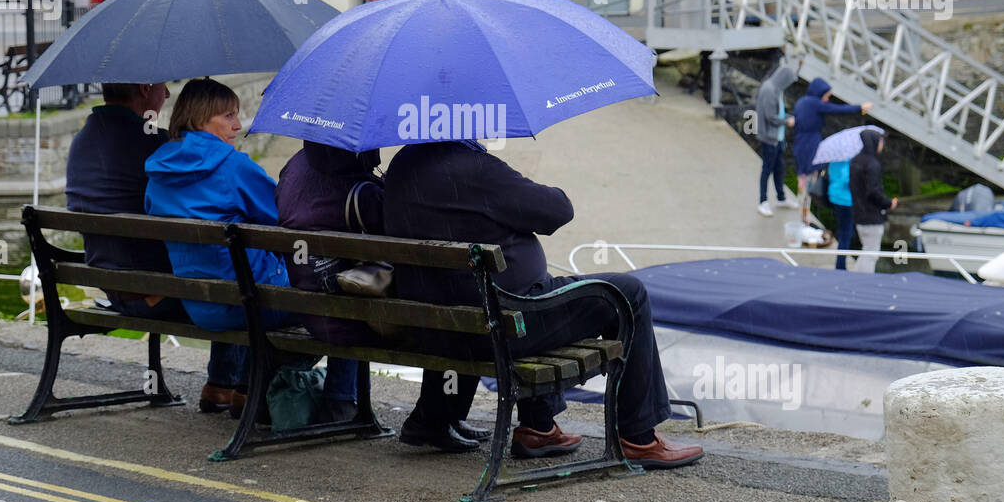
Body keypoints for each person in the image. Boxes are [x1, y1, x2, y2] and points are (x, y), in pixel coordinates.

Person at [384, 140, 704, 468]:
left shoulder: (404, 165)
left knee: (534, 292)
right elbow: (556, 210)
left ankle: (527, 426)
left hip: (440, 328)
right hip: (498, 328)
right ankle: (638, 438)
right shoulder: (475, 169)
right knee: (626, 294)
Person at [65, 82, 245, 403]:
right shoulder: (157, 147)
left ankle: (225, 383)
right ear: (144, 88)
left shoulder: (82, 139)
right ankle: (230, 383)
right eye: (162, 87)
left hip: (108, 282)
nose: (165, 95)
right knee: (231, 275)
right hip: (153, 293)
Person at [144, 78, 292, 414]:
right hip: (250, 304)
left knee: (226, 268)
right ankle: (256, 388)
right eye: (227, 116)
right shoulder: (232, 166)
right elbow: (284, 219)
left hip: (199, 304)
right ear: (199, 119)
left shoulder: (158, 170)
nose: (238, 125)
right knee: (324, 295)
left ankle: (223, 385)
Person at [275, 142, 381, 425]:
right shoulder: (363, 191)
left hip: (303, 305)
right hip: (347, 320)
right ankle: (341, 400)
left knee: (339, 295)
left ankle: (339, 400)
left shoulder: (295, 166)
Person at [792, 78, 872, 224]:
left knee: (802, 180)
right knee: (810, 180)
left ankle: (802, 213)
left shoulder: (801, 102)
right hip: (811, 146)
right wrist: (860, 107)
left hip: (799, 143)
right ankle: (804, 216)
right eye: (827, 95)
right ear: (819, 92)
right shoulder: (815, 104)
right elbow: (838, 110)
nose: (827, 98)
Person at [754, 63, 799, 216]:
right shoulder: (769, 90)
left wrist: (787, 117)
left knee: (779, 168)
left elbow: (778, 112)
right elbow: (770, 116)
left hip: (778, 137)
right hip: (769, 138)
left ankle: (781, 198)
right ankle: (763, 201)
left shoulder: (777, 89)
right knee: (767, 169)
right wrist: (787, 122)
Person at [849, 129, 896, 274]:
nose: (883, 144)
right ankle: (863, 283)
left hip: (858, 213)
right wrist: (888, 203)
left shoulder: (855, 160)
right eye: (881, 140)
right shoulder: (872, 164)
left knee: (866, 250)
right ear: (875, 142)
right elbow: (873, 192)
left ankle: (857, 280)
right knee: (871, 253)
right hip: (871, 216)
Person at [827, 158, 854, 271]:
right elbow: (846, 178)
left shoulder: (834, 157)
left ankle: (840, 262)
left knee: (844, 230)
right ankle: (840, 266)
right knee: (846, 233)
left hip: (834, 195)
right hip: (845, 199)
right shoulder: (847, 159)